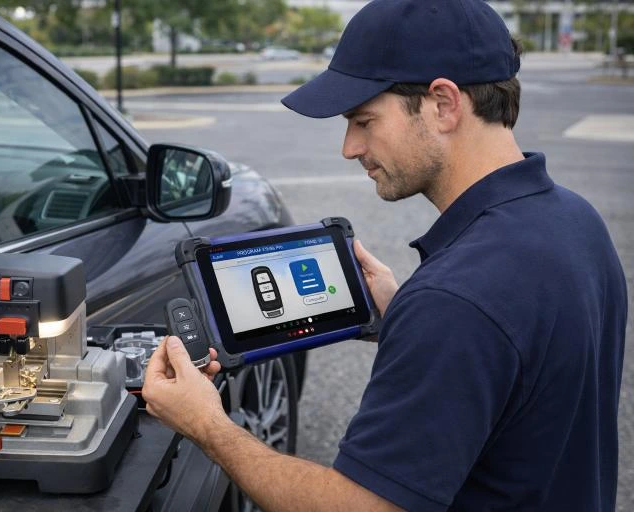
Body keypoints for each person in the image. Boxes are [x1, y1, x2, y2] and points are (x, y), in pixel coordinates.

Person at [142, 0, 628, 510]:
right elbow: (526, 379)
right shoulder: (577, 221)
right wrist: (404, 316)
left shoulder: (456, 301)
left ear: (443, 103)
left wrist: (207, 425)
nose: (350, 147)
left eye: (364, 120)